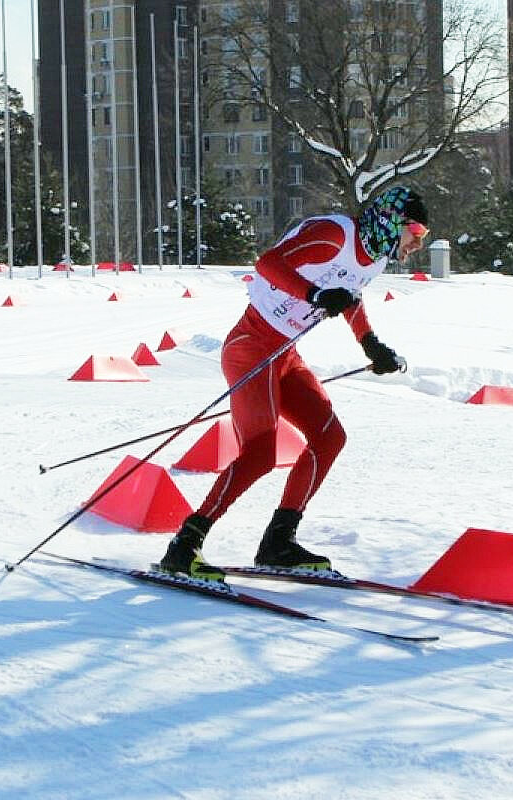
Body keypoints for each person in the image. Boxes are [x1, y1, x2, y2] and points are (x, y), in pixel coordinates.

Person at [158, 186, 430, 581]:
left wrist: (371, 344)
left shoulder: (375, 258)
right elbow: (268, 263)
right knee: (261, 451)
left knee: (329, 437)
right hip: (252, 345)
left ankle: (278, 542)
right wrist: (315, 293)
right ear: (393, 221)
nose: (417, 244)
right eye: (417, 231)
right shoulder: (337, 235)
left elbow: (350, 296)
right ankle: (185, 545)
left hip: (285, 353)